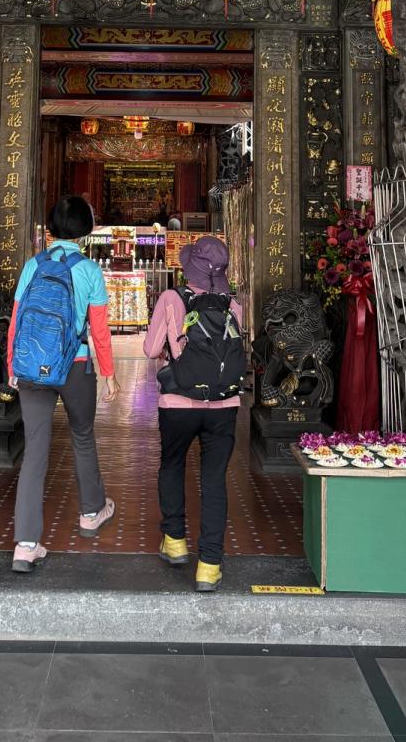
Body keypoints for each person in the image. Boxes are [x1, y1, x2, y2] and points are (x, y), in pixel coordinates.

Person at [7, 195, 121, 573]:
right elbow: (99, 330)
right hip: (75, 365)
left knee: (35, 450)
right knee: (82, 436)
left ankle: (25, 545)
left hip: (32, 366)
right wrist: (109, 373)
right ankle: (91, 512)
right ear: (86, 229)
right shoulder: (89, 270)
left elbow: (17, 320)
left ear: (53, 227)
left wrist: (12, 365)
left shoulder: (33, 264)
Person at [144, 236, 244, 593]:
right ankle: (209, 565)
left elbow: (151, 349)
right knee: (214, 480)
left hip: (178, 403)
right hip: (224, 405)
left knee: (172, 465)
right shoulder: (234, 304)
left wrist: (171, 348)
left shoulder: (172, 298)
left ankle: (174, 540)